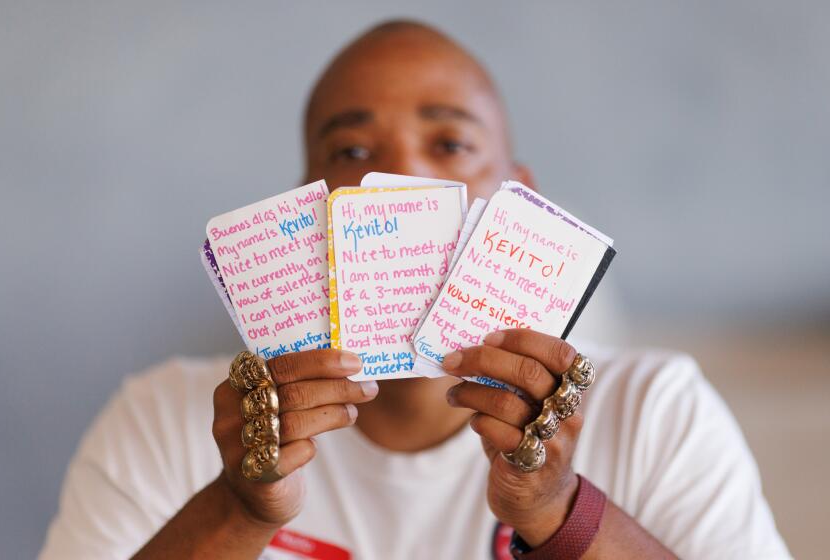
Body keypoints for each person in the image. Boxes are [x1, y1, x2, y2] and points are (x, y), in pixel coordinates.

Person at [39, 20, 791, 560]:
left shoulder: (654, 411)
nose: (399, 178)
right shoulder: (162, 420)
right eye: (353, 150)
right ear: (310, 210)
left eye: (451, 143)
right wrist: (238, 509)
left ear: (518, 197)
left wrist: (557, 510)